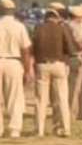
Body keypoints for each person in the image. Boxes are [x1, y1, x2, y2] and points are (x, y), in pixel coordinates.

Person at [0, 0, 33, 139]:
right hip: (14, 62)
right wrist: (27, 70)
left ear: (1, 10)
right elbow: (26, 50)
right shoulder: (19, 27)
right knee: (15, 98)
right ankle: (15, 130)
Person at [31, 8, 74, 137]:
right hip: (58, 64)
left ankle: (39, 129)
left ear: (46, 18)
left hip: (42, 64)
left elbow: (32, 47)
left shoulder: (38, 29)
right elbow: (70, 49)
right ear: (56, 18)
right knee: (61, 98)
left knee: (41, 99)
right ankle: (65, 128)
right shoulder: (61, 29)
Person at [65, 5, 82, 121]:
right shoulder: (78, 26)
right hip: (78, 56)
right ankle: (71, 112)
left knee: (70, 86)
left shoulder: (67, 25)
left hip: (70, 58)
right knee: (75, 88)